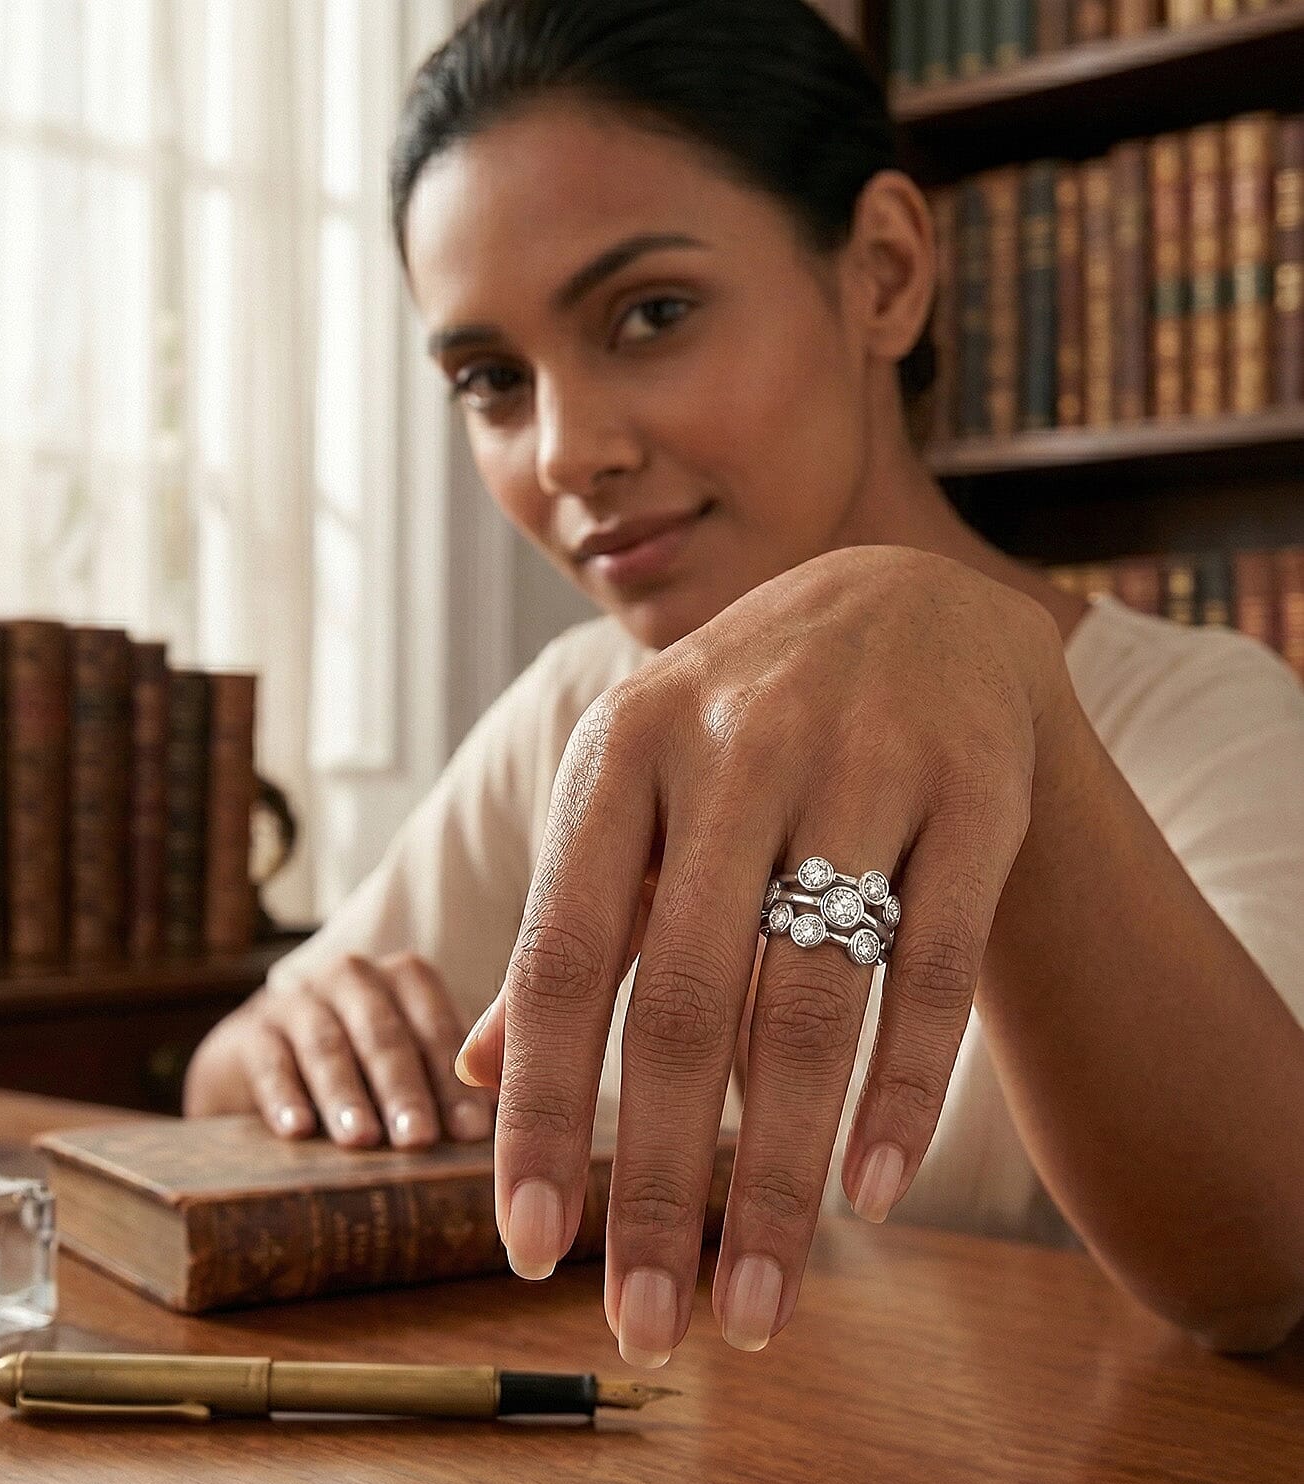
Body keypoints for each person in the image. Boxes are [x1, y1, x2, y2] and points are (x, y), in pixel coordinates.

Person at [185, 0, 1304, 1364]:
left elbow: (1266, 1262)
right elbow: (223, 1081)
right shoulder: (581, 710)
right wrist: (305, 1038)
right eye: (491, 379)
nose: (565, 452)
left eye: (650, 314)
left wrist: (999, 690)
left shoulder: (1198, 718)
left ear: (885, 270)